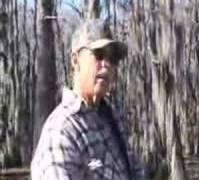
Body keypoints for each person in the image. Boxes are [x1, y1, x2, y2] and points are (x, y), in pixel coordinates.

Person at [31, 19, 144, 180]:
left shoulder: (114, 118)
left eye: (112, 58)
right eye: (98, 55)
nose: (106, 65)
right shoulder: (61, 131)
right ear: (75, 61)